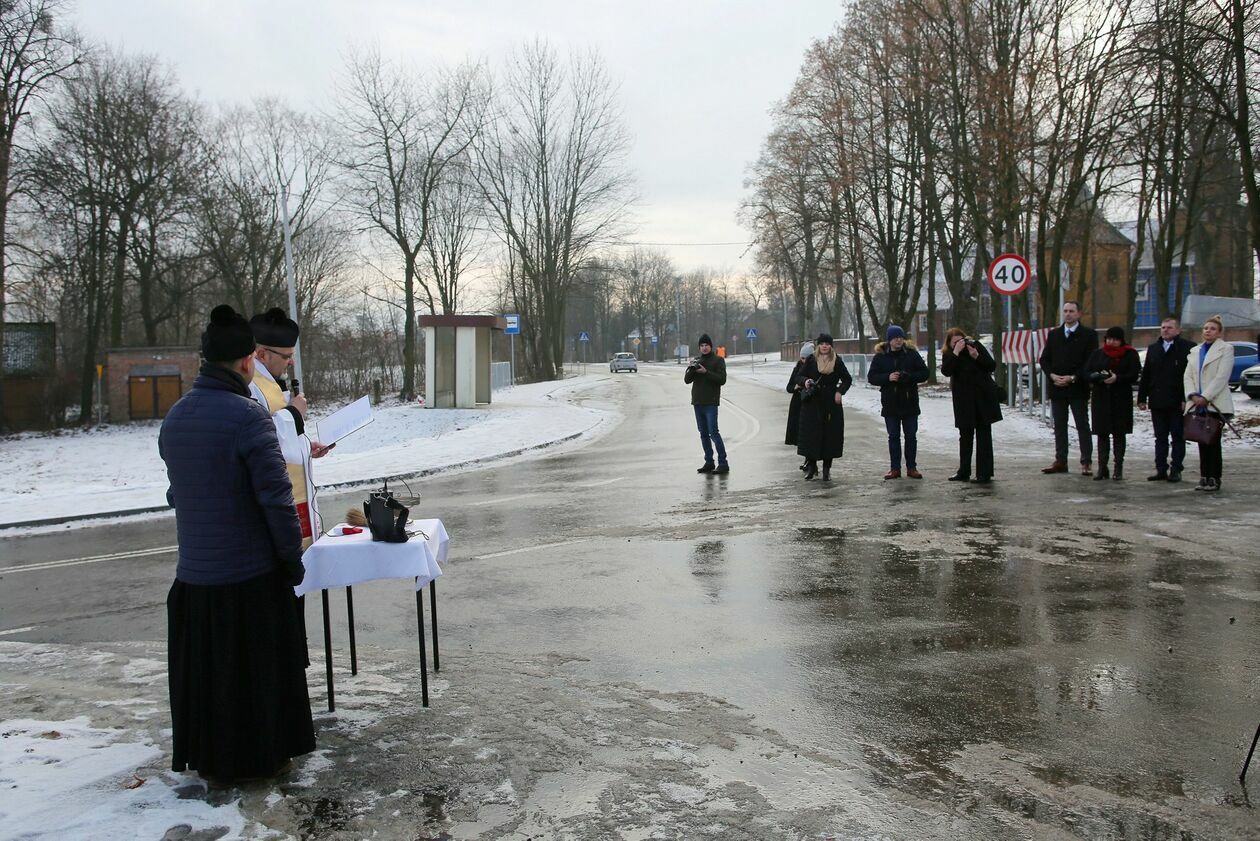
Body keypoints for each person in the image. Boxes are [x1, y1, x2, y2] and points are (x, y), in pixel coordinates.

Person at [159, 304, 315, 784]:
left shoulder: (176, 417)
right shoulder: (250, 418)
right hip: (247, 576)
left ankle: (212, 757)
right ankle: (263, 755)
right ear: (249, 361)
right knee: (255, 676)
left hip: (196, 577)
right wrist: (291, 560)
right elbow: (276, 500)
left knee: (212, 679)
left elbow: (177, 493)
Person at [248, 308, 332, 549]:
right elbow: (264, 438)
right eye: (286, 356)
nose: (291, 362)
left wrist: (307, 447)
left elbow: (285, 438)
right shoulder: (252, 386)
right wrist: (294, 412)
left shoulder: (271, 381)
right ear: (262, 354)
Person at [1038, 301, 1098, 475]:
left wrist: (1074, 377)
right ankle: (1060, 460)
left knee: (1082, 425)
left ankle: (1086, 461)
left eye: (1072, 311)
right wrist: (1052, 375)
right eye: (1065, 311)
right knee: (1059, 426)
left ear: (1079, 313)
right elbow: (1044, 359)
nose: (1068, 314)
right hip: (1057, 386)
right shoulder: (1054, 334)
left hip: (1078, 387)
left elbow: (1090, 360)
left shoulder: (1088, 335)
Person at [940, 328, 1002, 483]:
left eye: (961, 341)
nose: (960, 344)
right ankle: (964, 470)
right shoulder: (949, 355)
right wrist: (956, 352)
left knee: (984, 435)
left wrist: (977, 356)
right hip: (963, 400)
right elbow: (946, 371)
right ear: (949, 344)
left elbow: (991, 366)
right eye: (955, 343)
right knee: (965, 436)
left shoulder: (976, 347)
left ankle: (984, 473)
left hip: (983, 397)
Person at [867, 325, 929, 479]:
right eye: (895, 338)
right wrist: (887, 378)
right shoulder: (881, 356)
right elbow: (872, 377)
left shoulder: (912, 354)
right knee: (893, 436)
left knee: (911, 436)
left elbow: (924, 373)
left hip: (909, 402)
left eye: (901, 337)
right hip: (890, 403)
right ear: (889, 340)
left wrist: (909, 377)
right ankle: (895, 468)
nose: (899, 340)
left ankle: (911, 467)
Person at [1137, 316, 1194, 482]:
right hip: (1157, 399)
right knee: (1160, 437)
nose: (1165, 330)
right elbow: (1146, 374)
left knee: (1177, 436)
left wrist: (1186, 398)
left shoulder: (1187, 348)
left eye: (1169, 327)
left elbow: (1190, 375)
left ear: (1177, 330)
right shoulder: (1154, 348)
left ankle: (1176, 468)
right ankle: (1160, 468)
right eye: (1163, 327)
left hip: (1177, 401)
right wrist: (1142, 397)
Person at [1083, 326, 1141, 480]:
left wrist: (1118, 378)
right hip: (1101, 397)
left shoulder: (1130, 354)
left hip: (1121, 398)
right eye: (1109, 339)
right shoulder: (1098, 354)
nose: (1111, 342)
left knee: (1119, 434)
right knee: (1102, 433)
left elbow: (1134, 374)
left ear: (1121, 340)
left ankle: (1118, 467)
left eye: (1115, 339)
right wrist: (1097, 377)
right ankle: (1102, 467)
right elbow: (1086, 372)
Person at [1184, 314, 1234, 492]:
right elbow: (1188, 376)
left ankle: (1214, 477)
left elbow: (1222, 376)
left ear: (1219, 332)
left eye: (1212, 329)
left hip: (1215, 403)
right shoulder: (1195, 351)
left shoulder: (1226, 349)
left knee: (1212, 440)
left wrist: (1206, 396)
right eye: (1206, 328)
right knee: (1201, 440)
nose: (1208, 331)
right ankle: (1204, 476)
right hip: (1197, 403)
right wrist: (1193, 395)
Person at [795, 333, 853, 481]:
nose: (825, 346)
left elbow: (847, 379)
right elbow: (798, 377)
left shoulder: (837, 361)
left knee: (830, 436)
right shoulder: (811, 360)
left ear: (831, 346)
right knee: (811, 435)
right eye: (822, 343)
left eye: (827, 343)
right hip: (812, 402)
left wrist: (840, 392)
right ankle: (812, 467)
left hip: (830, 403)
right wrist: (806, 381)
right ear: (818, 345)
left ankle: (827, 469)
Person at [684, 333, 729, 474]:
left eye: (706, 345)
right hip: (697, 402)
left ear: (711, 346)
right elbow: (687, 380)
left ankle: (723, 463)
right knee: (703, 433)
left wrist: (706, 372)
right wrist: (691, 367)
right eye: (701, 346)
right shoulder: (697, 360)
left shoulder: (718, 360)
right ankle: (709, 462)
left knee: (713, 433)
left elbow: (722, 379)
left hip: (710, 402)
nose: (704, 348)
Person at [785, 341, 814, 471]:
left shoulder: (814, 367)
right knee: (800, 434)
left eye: (806, 358)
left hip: (810, 403)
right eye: (802, 358)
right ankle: (807, 460)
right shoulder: (797, 368)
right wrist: (796, 386)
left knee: (810, 433)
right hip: (798, 403)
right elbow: (789, 387)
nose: (803, 361)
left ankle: (810, 461)